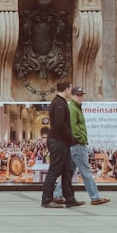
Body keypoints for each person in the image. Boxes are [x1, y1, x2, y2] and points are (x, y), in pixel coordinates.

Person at [54, 86, 110, 206]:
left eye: (81, 95)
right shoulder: (73, 108)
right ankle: (95, 197)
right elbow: (73, 128)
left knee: (69, 172)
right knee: (86, 172)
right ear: (72, 96)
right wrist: (81, 138)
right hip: (78, 145)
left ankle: (57, 195)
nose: (80, 97)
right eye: (78, 95)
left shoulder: (75, 108)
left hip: (75, 145)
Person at [40, 80, 84, 209]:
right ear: (66, 89)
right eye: (70, 89)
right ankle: (46, 200)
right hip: (58, 141)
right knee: (54, 171)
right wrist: (70, 137)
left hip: (62, 141)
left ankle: (69, 198)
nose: (71, 91)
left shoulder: (60, 102)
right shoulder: (59, 103)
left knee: (67, 170)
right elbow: (60, 124)